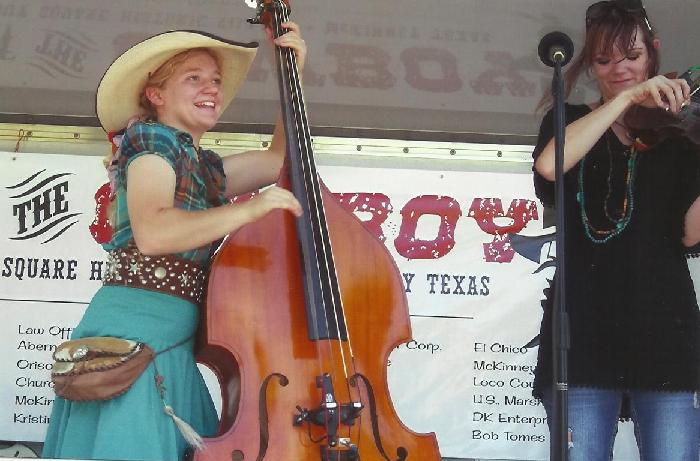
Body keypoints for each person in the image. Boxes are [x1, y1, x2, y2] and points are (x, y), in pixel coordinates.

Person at [42, 24, 306, 461]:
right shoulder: (152, 141)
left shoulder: (201, 165)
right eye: (194, 78)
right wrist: (249, 209)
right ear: (156, 96)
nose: (211, 89)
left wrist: (293, 74)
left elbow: (278, 160)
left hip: (169, 340)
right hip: (141, 331)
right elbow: (155, 234)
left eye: (216, 81)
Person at [531, 1, 700, 460]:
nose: (618, 69)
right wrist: (626, 99)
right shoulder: (566, 119)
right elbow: (551, 165)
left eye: (631, 57)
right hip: (583, 332)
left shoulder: (679, 136)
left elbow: (689, 235)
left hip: (665, 330)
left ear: (654, 52)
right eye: (604, 60)